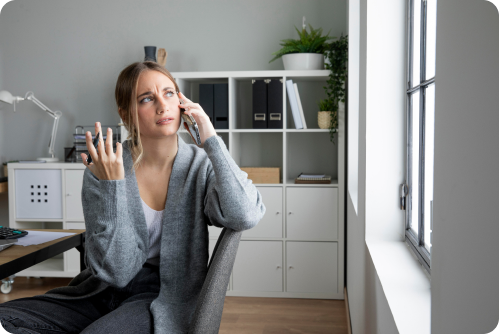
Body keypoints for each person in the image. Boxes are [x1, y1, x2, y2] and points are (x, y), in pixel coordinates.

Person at [0, 61, 266, 334]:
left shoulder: (200, 166)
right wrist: (112, 184)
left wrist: (210, 138)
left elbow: (245, 214)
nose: (163, 106)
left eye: (169, 93)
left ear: (182, 101)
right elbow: (116, 272)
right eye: (147, 99)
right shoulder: (104, 167)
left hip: (162, 296)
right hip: (99, 290)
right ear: (126, 113)